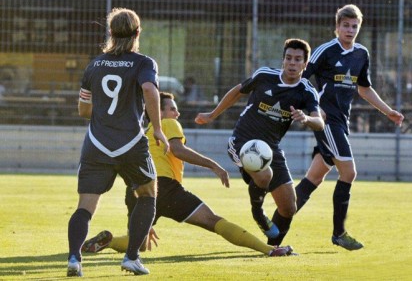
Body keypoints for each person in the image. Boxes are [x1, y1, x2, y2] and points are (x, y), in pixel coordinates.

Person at [82, 92, 295, 257]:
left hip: (138, 190)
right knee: (213, 221)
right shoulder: (167, 123)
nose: (177, 114)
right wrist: (214, 165)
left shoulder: (143, 132)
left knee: (139, 243)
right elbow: (178, 150)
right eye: (173, 109)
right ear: (160, 111)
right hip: (164, 187)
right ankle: (269, 250)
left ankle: (109, 241)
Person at [66, 8, 169, 277]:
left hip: (96, 144)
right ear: (137, 33)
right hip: (131, 143)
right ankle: (131, 258)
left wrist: (102, 112)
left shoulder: (95, 64)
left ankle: (75, 259)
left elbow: (83, 110)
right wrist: (157, 128)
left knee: (85, 207)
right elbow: (149, 89)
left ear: (110, 32)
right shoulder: (144, 63)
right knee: (147, 196)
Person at [294, 4, 404, 250]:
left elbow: (364, 89)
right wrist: (314, 108)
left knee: (315, 176)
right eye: (346, 25)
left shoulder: (361, 54)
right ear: (337, 26)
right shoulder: (325, 50)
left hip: (341, 122)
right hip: (327, 122)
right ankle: (339, 233)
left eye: (355, 26)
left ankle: (277, 221)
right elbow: (301, 78)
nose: (350, 30)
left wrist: (388, 111)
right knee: (349, 172)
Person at [195, 39, 324, 247]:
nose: (292, 63)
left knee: (289, 207)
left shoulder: (307, 91)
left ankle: (273, 247)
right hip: (242, 142)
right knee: (264, 174)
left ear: (305, 64)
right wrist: (212, 114)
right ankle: (258, 212)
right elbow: (237, 91)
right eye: (289, 58)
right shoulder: (265, 75)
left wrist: (306, 118)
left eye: (298, 60)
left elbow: (320, 122)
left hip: (271, 148)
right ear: (283, 60)